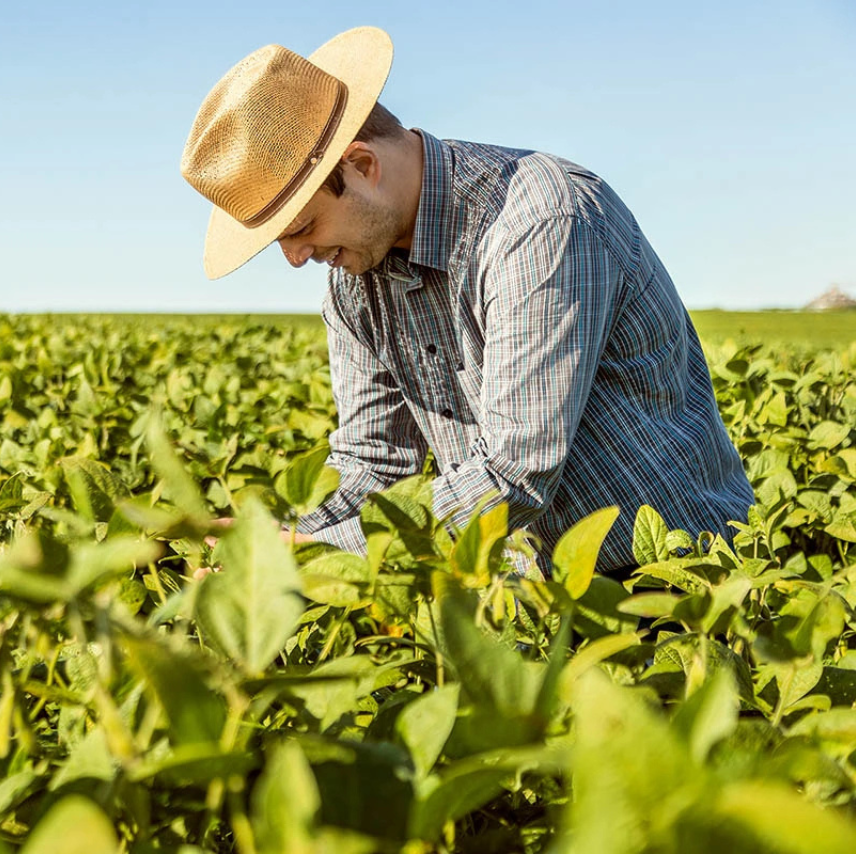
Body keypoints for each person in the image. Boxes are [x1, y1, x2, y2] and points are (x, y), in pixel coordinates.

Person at [179, 26, 754, 574]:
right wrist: (273, 543)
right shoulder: (355, 281)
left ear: (360, 166)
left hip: (677, 579)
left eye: (301, 226)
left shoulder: (538, 223)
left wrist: (310, 558)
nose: (296, 257)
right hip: (524, 594)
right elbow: (372, 462)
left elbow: (513, 473)